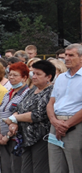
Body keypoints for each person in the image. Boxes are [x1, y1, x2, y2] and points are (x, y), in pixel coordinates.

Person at [6, 60, 56, 173]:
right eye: (33, 73)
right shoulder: (32, 90)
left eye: (38, 74)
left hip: (40, 137)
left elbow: (37, 114)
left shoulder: (50, 91)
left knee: (39, 169)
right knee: (25, 169)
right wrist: (14, 122)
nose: (34, 77)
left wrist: (14, 119)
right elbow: (18, 108)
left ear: (49, 77)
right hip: (26, 138)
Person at [47, 44, 82, 173]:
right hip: (55, 124)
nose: (66, 58)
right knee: (55, 166)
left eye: (71, 55)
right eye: (66, 55)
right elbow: (51, 103)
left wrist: (67, 124)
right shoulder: (61, 77)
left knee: (75, 166)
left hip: (75, 125)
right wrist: (54, 122)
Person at [0, 61, 30, 173]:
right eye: (10, 75)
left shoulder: (27, 94)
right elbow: (0, 112)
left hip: (15, 138)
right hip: (2, 137)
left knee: (15, 168)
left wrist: (7, 137)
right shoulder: (8, 93)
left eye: (15, 75)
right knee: (5, 168)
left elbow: (20, 116)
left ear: (24, 78)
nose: (11, 77)